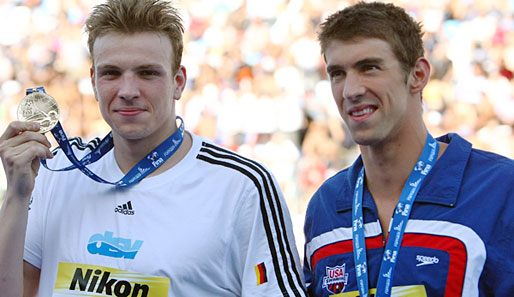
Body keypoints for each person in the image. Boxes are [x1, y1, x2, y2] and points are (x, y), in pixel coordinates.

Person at [0, 0, 306, 296]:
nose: (128, 91)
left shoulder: (242, 187)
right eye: (112, 73)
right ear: (94, 81)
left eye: (147, 73)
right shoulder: (55, 171)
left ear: (178, 81)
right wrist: (15, 195)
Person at [303, 2, 514, 297]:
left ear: (418, 75)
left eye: (369, 68)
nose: (350, 90)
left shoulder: (501, 189)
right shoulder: (325, 206)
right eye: (337, 73)